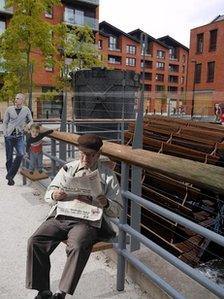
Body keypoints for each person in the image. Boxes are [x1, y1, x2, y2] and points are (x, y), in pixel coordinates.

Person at [26, 134, 123, 299]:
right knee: (35, 240)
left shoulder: (107, 176)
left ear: (98, 155)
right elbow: (49, 193)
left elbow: (117, 209)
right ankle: (43, 290)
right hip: (62, 216)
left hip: (86, 221)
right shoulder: (68, 169)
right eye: (82, 154)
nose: (85, 158)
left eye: (90, 155)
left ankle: (61, 293)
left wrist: (105, 202)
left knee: (77, 245)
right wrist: (55, 195)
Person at [3, 93, 33, 185]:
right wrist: (5, 133)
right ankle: (10, 178)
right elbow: (5, 122)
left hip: (19, 136)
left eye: (18, 98)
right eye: (16, 98)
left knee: (20, 154)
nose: (16, 99)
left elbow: (31, 120)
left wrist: (28, 125)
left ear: (22, 100)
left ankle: (10, 174)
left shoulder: (26, 109)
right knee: (9, 158)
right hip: (9, 136)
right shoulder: (9, 109)